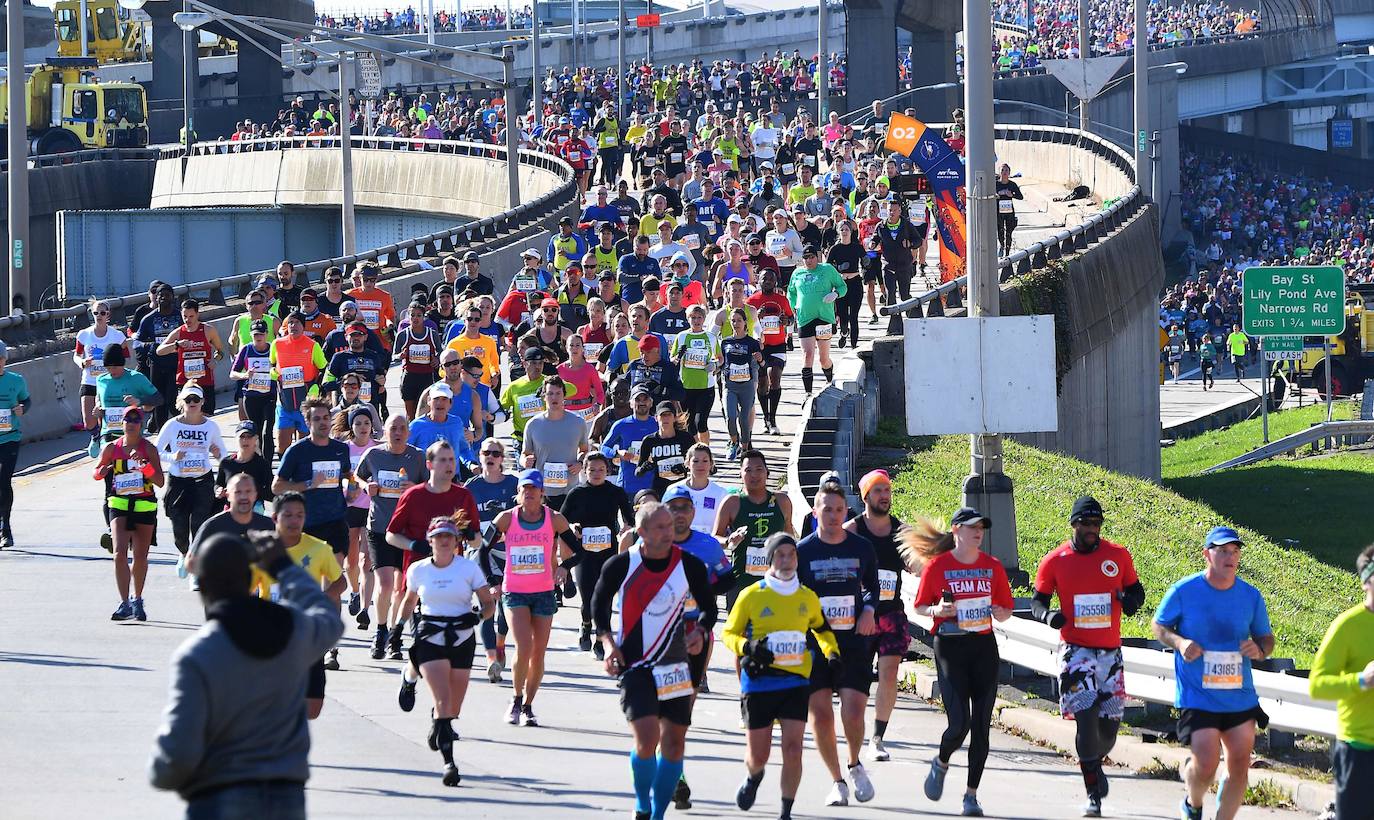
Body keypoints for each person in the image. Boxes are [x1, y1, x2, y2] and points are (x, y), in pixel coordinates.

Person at [148, 530, 344, 817]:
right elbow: (328, 617)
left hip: (217, 796)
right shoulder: (293, 631)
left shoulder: (197, 655)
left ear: (201, 585)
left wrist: (162, 772)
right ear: (252, 578)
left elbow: (177, 755)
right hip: (285, 795)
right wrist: (284, 567)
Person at [591, 501, 717, 820]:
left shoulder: (688, 565)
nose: (667, 532)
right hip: (635, 663)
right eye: (659, 527)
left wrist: (701, 629)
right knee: (647, 740)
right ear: (642, 532)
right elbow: (599, 604)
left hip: (675, 664)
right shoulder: (622, 564)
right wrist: (607, 642)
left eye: (670, 526)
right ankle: (641, 802)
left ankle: (657, 814)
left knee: (674, 745)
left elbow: (709, 607)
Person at [1031, 496, 1146, 817]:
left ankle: (1095, 762)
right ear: (1074, 525)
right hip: (1075, 652)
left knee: (1109, 729)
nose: (1092, 530)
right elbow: (1038, 602)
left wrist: (1130, 599)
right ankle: (1092, 793)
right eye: (1086, 524)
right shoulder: (1055, 561)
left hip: (1110, 653)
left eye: (1097, 525)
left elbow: (1137, 591)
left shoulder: (1118, 555)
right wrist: (1047, 616)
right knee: (1085, 718)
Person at [1152, 526, 1275, 820]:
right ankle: (1192, 804)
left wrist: (1259, 649)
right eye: (1222, 551)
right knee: (1206, 763)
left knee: (1239, 766)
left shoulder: (1250, 596)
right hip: (1198, 694)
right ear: (1207, 554)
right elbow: (1160, 626)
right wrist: (1180, 643)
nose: (1230, 557)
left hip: (1239, 697)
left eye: (1234, 552)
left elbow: (1266, 639)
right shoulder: (1184, 590)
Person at [725, 532, 841, 820]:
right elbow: (728, 634)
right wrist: (747, 646)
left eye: (791, 554)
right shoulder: (752, 595)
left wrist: (832, 653)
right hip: (760, 682)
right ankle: (753, 777)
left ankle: (785, 811)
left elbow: (822, 629)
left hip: (796, 681)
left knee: (793, 748)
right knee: (759, 756)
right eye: (780, 554)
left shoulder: (807, 597)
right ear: (770, 558)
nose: (787, 560)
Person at [909, 507, 1015, 817]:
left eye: (982, 526)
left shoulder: (992, 566)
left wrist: (1000, 612)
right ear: (956, 530)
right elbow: (920, 606)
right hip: (951, 648)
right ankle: (941, 762)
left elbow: (1006, 609)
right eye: (971, 527)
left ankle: (971, 796)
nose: (978, 531)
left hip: (983, 646)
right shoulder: (938, 566)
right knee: (959, 724)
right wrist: (937, 611)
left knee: (981, 726)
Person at [396, 515, 496, 786]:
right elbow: (409, 601)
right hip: (430, 634)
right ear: (430, 541)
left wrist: (477, 617)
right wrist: (395, 629)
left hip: (462, 636)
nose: (443, 541)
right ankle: (449, 764)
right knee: (442, 700)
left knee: (453, 707)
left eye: (448, 537)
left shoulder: (468, 569)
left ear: (456, 542)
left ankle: (439, 722)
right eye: (438, 537)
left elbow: (489, 604)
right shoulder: (418, 569)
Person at [797, 479, 880, 807]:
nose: (832, 515)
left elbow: (874, 587)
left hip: (853, 640)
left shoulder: (861, 548)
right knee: (820, 714)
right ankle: (837, 781)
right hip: (815, 643)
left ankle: (854, 763)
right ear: (815, 511)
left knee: (854, 710)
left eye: (838, 509)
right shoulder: (803, 551)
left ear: (847, 511)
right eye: (826, 509)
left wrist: (870, 610)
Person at [481, 469, 583, 727]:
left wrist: (564, 566)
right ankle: (515, 700)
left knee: (538, 653)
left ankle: (528, 706)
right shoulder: (506, 519)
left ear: (542, 493)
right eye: (524, 489)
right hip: (515, 591)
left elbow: (581, 552)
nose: (529, 493)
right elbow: (483, 551)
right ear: (519, 493)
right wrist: (494, 582)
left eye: (533, 489)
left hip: (544, 592)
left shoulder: (555, 519)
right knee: (524, 647)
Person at [273, 396, 354, 670]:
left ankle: (331, 648)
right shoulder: (297, 452)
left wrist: (351, 488)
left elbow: (347, 475)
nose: (322, 423)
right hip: (306, 526)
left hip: (335, 522)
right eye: (316, 419)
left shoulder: (340, 449)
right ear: (307, 423)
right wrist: (308, 484)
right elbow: (276, 487)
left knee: (333, 584)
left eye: (325, 418)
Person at [385, 440, 481, 665]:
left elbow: (477, 542)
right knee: (416, 620)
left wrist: (468, 533)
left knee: (439, 640)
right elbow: (391, 534)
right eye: (443, 460)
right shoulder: (413, 495)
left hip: (453, 570)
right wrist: (413, 545)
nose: (449, 465)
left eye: (452, 460)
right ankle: (395, 638)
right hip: (419, 568)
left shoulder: (463, 496)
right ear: (429, 464)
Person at [252, 492, 346, 719]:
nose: (294, 521)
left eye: (300, 515)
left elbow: (340, 581)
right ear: (275, 518)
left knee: (313, 708)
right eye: (288, 515)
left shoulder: (319, 549)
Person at [842, 470, 913, 763]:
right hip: (859, 616)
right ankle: (853, 733)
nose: (885, 496)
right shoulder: (852, 530)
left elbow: (916, 564)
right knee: (857, 681)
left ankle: (877, 737)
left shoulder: (902, 531)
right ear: (866, 496)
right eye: (878, 490)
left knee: (889, 673)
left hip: (891, 614)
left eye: (887, 490)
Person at [1309, 543, 1374, 820]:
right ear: (1366, 582)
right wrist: (1361, 680)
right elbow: (1318, 685)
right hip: (1358, 748)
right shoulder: (1347, 626)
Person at [356, 414, 428, 660]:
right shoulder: (374, 455)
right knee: (385, 584)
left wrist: (414, 489)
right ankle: (380, 630)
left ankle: (394, 635)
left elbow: (429, 488)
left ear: (408, 432)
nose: (398, 432)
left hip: (407, 530)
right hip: (379, 528)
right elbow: (357, 476)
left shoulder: (417, 456)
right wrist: (366, 487)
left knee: (400, 588)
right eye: (393, 428)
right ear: (384, 431)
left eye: (402, 428)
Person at [559, 452, 634, 657]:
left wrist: (626, 528)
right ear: (585, 471)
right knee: (588, 598)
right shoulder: (577, 493)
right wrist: (573, 527)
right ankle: (585, 625)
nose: (597, 473)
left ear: (608, 470)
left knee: (605, 598)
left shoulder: (616, 492)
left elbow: (630, 519)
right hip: (584, 553)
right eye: (592, 470)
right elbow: (561, 521)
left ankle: (601, 640)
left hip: (608, 552)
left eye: (601, 469)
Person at [94, 407, 165, 620]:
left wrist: (145, 467)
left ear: (141, 424)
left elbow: (160, 482)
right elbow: (96, 472)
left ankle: (138, 599)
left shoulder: (149, 449)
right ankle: (124, 602)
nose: (131, 423)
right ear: (122, 423)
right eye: (128, 419)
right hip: (119, 503)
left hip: (144, 504)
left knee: (141, 556)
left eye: (136, 420)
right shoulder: (111, 448)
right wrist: (102, 471)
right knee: (119, 554)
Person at [155, 383, 225, 577]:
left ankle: (196, 568)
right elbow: (156, 451)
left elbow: (223, 453)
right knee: (179, 527)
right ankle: (184, 552)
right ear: (181, 403)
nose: (192, 403)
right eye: (188, 400)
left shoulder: (211, 426)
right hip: (178, 482)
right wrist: (173, 457)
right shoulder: (172, 425)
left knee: (199, 524)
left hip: (203, 480)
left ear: (202, 402)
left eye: (196, 400)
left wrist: (219, 455)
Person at [465, 437, 518, 681]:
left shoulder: (514, 484)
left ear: (502, 459)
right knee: (487, 603)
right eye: (487, 452)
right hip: (480, 552)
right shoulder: (471, 487)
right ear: (480, 456)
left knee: (505, 606)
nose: (491, 457)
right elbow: (461, 520)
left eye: (496, 454)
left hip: (510, 552)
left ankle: (500, 642)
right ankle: (490, 659)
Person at [520, 376, 590, 510]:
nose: (554, 398)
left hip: (570, 490)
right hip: (543, 491)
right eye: (550, 393)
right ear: (544, 396)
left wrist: (580, 464)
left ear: (564, 396)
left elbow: (584, 450)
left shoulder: (577, 422)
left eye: (558, 393)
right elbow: (525, 454)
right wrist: (525, 461)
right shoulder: (533, 424)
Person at [338, 406, 379, 630]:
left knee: (366, 560)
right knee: (351, 561)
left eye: (366, 423)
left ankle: (365, 608)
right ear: (351, 427)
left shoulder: (378, 450)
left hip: (372, 509)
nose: (363, 427)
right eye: (358, 424)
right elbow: (341, 476)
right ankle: (354, 591)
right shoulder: (344, 449)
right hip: (349, 507)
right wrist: (349, 486)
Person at [787, 246, 845, 396]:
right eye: (805, 258)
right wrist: (793, 307)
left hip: (824, 318)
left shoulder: (827, 270)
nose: (809, 261)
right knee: (807, 355)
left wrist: (836, 294)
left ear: (817, 257)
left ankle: (830, 381)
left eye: (812, 257)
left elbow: (843, 286)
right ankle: (808, 393)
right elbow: (791, 293)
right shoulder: (797, 273)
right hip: (805, 318)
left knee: (823, 358)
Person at [156, 299, 228, 415]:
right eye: (185, 316)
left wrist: (215, 361)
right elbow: (159, 351)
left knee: (207, 416)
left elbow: (221, 351)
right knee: (187, 416)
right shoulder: (178, 332)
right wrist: (176, 344)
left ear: (197, 314)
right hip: (185, 381)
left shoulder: (208, 330)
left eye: (191, 316)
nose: (187, 320)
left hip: (205, 381)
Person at [191, 473, 273, 569]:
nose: (243, 496)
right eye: (238, 492)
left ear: (255, 495)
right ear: (228, 495)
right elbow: (191, 562)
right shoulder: (213, 525)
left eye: (248, 491)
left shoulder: (269, 526)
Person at [75, 300, 128, 443]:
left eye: (102, 313)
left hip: (108, 381)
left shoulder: (116, 336)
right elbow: (77, 355)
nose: (99, 315)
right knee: (89, 421)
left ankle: (108, 439)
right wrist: (82, 362)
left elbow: (126, 355)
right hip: (89, 380)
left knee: (108, 417)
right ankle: (95, 435)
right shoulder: (84, 335)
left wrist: (114, 364)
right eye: (96, 313)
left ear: (108, 315)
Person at [230, 319, 279, 463]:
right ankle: (258, 462)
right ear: (251, 335)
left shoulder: (273, 350)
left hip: (269, 396)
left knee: (267, 432)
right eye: (256, 334)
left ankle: (267, 466)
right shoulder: (246, 350)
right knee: (255, 432)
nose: (259, 337)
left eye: (261, 334)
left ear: (267, 334)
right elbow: (232, 374)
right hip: (251, 397)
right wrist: (244, 375)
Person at [669, 305, 719, 444]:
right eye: (693, 317)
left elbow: (720, 358)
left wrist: (715, 364)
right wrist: (679, 356)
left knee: (700, 423)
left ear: (704, 319)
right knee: (690, 426)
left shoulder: (710, 337)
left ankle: (706, 453)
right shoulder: (682, 336)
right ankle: (695, 453)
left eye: (699, 317)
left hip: (705, 387)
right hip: (686, 387)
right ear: (687, 319)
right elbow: (672, 360)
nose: (696, 320)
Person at [0, 342, 28, 548]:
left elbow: (27, 401)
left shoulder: (16, 380)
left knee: (4, 480)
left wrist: (22, 409)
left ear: (4, 359)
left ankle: (6, 529)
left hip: (10, 437)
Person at [666, 443, 729, 534]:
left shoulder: (721, 493)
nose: (700, 465)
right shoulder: (673, 490)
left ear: (711, 464)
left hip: (708, 545)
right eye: (695, 461)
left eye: (705, 461)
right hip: (680, 545)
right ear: (687, 463)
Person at [636, 401, 695, 498]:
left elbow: (698, 462)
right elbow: (637, 472)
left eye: (669, 415)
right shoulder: (649, 441)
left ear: (675, 417)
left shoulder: (686, 438)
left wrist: (685, 467)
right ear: (656, 418)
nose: (665, 418)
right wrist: (643, 468)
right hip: (659, 491)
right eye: (662, 415)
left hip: (681, 489)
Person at [395, 300, 442, 419]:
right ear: (408, 316)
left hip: (427, 377)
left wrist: (436, 360)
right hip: (409, 377)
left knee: (425, 414)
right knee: (411, 416)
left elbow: (441, 353)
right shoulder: (403, 335)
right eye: (412, 315)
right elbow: (394, 356)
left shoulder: (432, 334)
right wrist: (400, 356)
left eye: (419, 315)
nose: (415, 318)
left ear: (423, 317)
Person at [995, 163, 1024, 256]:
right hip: (998, 211)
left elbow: (1021, 197)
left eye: (1006, 170)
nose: (1004, 172)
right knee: (1000, 230)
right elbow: (990, 195)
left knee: (1009, 231)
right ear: (999, 173)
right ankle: (1002, 245)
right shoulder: (995, 184)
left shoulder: (1012, 185)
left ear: (1009, 173)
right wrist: (998, 194)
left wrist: (1012, 195)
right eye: (1002, 170)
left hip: (1009, 211)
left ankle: (1007, 252)